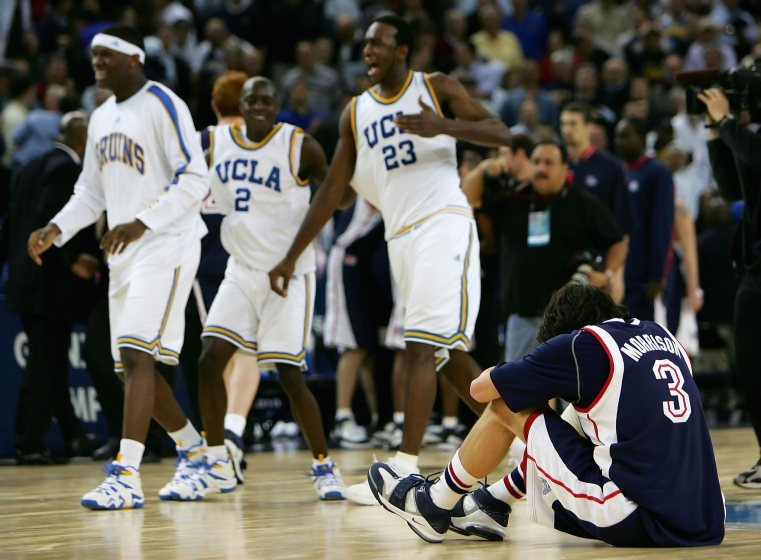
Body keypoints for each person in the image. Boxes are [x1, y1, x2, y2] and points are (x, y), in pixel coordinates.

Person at [268, 14, 511, 504]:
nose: (368, 52)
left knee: (421, 346)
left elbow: (500, 131)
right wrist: (291, 254)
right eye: (365, 45)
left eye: (378, 44)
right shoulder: (355, 112)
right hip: (399, 237)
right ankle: (535, 444)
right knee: (447, 357)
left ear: (403, 50)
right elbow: (334, 189)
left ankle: (402, 469)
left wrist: (441, 125)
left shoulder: (435, 86)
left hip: (444, 222)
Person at [369, 283, 725, 547]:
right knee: (581, 419)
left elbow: (480, 389)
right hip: (707, 515)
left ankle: (433, 503)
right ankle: (493, 502)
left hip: (635, 513)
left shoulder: (581, 344)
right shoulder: (661, 334)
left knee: (509, 404)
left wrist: (526, 370)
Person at [28, 24, 209, 510]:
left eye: (106, 54)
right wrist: (56, 228)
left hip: (167, 241)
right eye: (94, 55)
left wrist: (141, 223)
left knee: (135, 356)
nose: (97, 62)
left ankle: (125, 476)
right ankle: (196, 453)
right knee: (132, 369)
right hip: (123, 249)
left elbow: (196, 179)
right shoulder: (102, 116)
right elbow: (90, 191)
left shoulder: (164, 104)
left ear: (134, 58)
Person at [179, 76, 345, 501]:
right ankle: (217, 461)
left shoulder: (299, 145)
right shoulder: (215, 142)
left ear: (277, 105)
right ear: (242, 102)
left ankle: (324, 466)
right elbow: (178, 172)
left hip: (289, 274)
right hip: (241, 269)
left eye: (267, 100)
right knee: (208, 360)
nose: (258, 105)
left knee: (290, 376)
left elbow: (335, 197)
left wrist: (348, 178)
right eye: (251, 98)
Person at [465, 140, 627, 361]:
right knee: (519, 388)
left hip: (571, 317)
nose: (541, 168)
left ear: (564, 168)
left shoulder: (582, 203)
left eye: (548, 162)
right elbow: (467, 199)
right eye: (536, 162)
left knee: (571, 389)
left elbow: (618, 240)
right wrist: (485, 167)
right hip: (521, 315)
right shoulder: (514, 198)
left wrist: (608, 275)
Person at [2, 111, 98, 465]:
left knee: (52, 364)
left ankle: (73, 436)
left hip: (24, 282)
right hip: (49, 284)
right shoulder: (67, 169)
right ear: (84, 139)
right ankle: (28, 443)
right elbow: (51, 223)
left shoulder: (28, 166)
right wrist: (74, 259)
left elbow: (11, 223)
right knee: (44, 366)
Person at [195, 70, 261, 483]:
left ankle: (218, 445)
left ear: (216, 106)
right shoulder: (261, 140)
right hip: (250, 255)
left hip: (205, 257)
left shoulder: (200, 141)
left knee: (216, 356)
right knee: (248, 353)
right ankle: (232, 433)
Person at [702, 86, 761, 488]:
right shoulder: (751, 139)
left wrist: (726, 122)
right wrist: (714, 132)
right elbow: (733, 189)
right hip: (755, 268)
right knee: (751, 365)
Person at [324, 195, 389, 449]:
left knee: (368, 349)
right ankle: (342, 418)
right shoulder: (372, 186)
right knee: (354, 345)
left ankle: (376, 420)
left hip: (363, 264)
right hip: (346, 259)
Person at [614, 117, 675, 322]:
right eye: (616, 136)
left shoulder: (657, 173)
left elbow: (663, 225)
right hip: (618, 272)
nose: (618, 141)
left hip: (642, 277)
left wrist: (658, 276)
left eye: (624, 136)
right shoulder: (617, 171)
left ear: (640, 137)